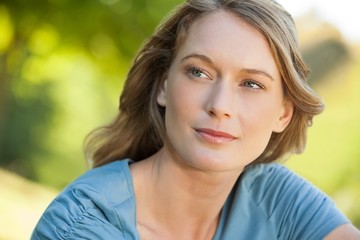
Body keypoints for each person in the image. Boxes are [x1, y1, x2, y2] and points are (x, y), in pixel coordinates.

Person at [32, 0, 360, 239]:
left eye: (251, 84)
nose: (220, 106)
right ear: (163, 85)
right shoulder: (80, 225)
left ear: (284, 113)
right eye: (199, 72)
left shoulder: (276, 199)